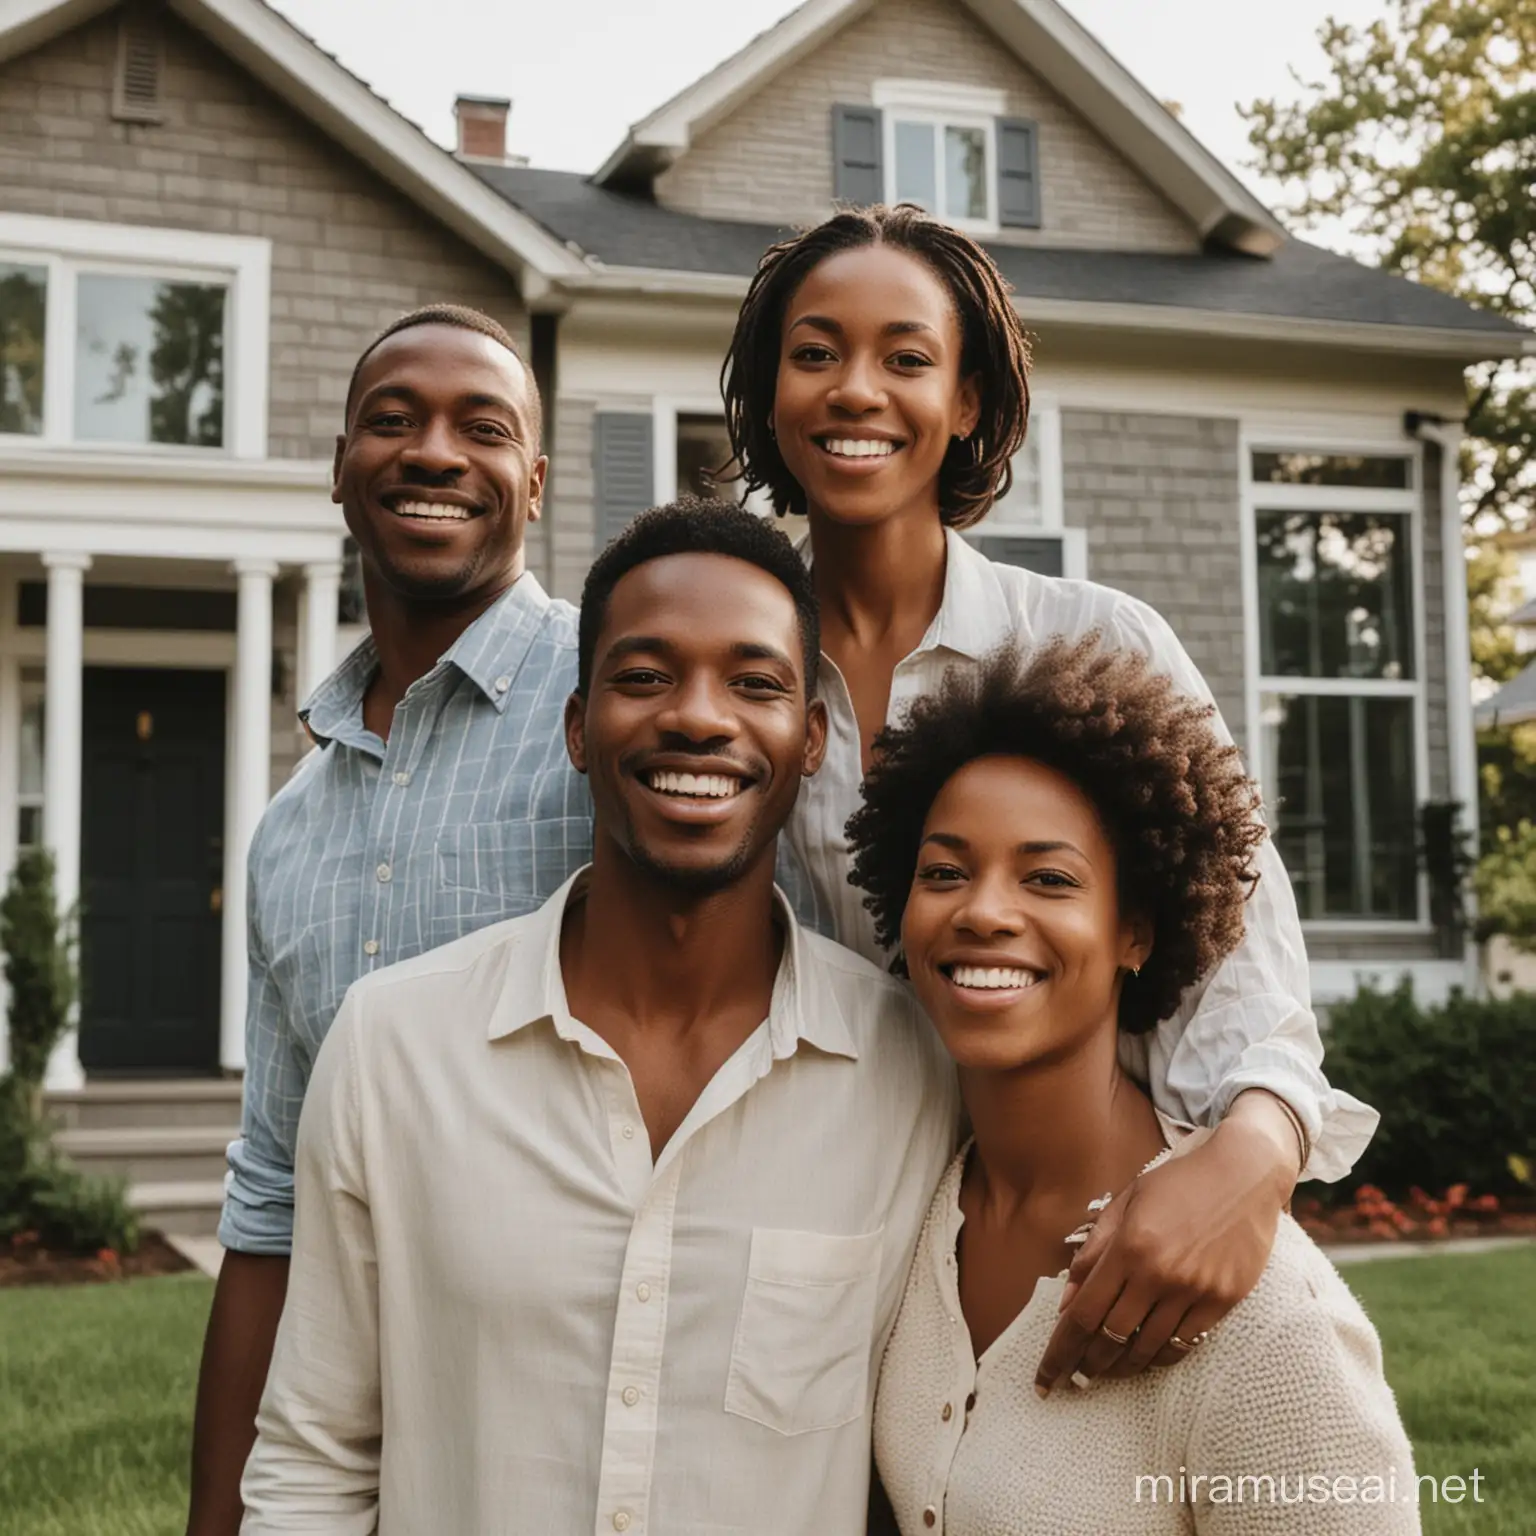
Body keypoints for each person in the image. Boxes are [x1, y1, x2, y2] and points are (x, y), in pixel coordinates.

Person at [719, 204, 1377, 1388]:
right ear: (770, 392)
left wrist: (1256, 1147)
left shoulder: (1094, 640)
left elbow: (1241, 956)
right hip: (828, 1240)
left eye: (907, 357)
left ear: (967, 401)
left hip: (1095, 1219)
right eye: (815, 352)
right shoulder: (730, 679)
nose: (856, 389)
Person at [239, 503, 958, 1534]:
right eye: (644, 676)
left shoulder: (914, 1078)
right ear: (578, 729)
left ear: (809, 742)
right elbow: (313, 1466)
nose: (698, 717)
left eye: (753, 683)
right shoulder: (393, 1051)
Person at [850, 640, 1418, 1534]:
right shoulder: (914, 1229)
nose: (983, 911)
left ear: (1137, 934)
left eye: (1049, 879)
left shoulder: (1270, 1323)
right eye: (945, 872)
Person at [187, 305, 591, 1534]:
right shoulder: (292, 827)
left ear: (534, 478)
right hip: (347, 1446)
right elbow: (270, 1200)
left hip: (584, 1416)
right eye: (391, 419)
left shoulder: (626, 709)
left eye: (483, 426)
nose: (432, 452)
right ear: (340, 470)